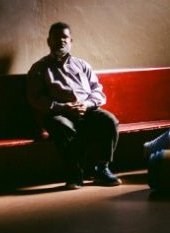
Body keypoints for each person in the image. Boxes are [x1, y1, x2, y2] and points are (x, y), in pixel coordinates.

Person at [27, 22, 121, 188]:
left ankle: (102, 169)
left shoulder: (82, 65)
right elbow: (36, 99)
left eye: (65, 38)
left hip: (86, 110)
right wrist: (63, 107)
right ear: (49, 41)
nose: (61, 41)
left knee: (109, 120)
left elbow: (97, 91)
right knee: (61, 126)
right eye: (57, 38)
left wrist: (87, 104)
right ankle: (74, 172)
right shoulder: (39, 68)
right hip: (59, 114)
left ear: (71, 41)